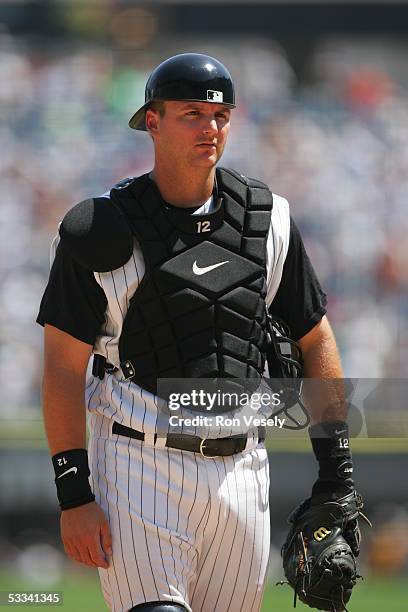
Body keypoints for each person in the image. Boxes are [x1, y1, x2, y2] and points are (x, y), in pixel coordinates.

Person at [37, 53, 362, 612]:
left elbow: (316, 340)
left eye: (220, 114)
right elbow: (63, 368)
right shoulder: (104, 230)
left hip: (242, 471)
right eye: (192, 113)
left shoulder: (269, 220)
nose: (210, 127)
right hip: (139, 463)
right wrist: (74, 493)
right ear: (153, 122)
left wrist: (337, 475)